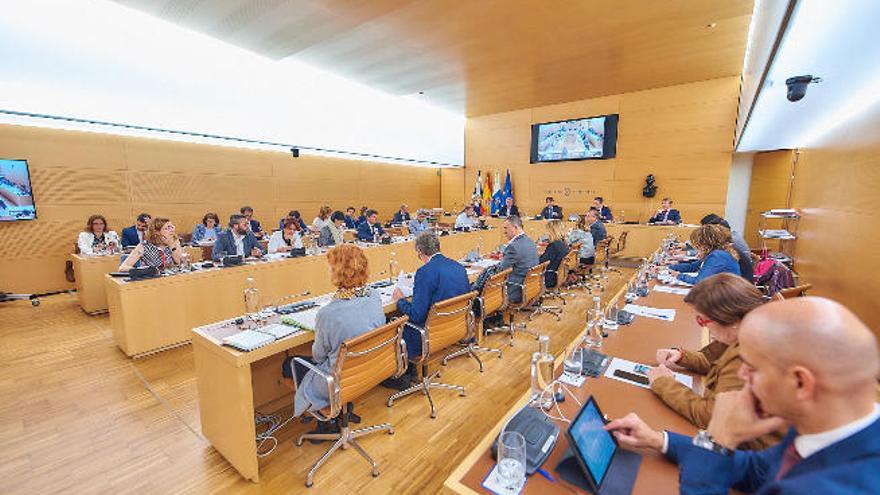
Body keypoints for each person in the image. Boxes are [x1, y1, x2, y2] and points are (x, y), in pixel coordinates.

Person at [604, 297, 880, 495]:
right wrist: (658, 440)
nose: (742, 376)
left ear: (800, 382)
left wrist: (716, 440)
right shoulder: (820, 427)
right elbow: (756, 471)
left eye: (753, 368)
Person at [649, 273, 779, 450]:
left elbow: (711, 415)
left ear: (730, 319)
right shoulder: (747, 329)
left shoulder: (748, 354)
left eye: (702, 320)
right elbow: (717, 362)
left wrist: (664, 383)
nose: (702, 326)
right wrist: (682, 357)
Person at [288, 244, 386, 423]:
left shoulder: (328, 313)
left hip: (338, 380)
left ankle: (326, 422)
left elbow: (318, 357)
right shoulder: (374, 295)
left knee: (289, 364)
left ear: (337, 271)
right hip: (369, 368)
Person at [388, 232, 470, 388]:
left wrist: (400, 300)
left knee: (391, 324)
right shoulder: (458, 266)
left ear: (420, 252)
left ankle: (402, 375)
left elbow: (416, 315)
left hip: (429, 335)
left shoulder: (424, 272)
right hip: (454, 328)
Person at [669, 224, 740, 284]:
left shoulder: (718, 256)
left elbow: (700, 282)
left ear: (705, 243)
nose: (696, 246)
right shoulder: (715, 252)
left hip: (726, 296)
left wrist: (678, 275)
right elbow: (694, 266)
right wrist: (668, 268)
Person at [701, 213, 754, 282]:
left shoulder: (731, 242)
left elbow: (703, 277)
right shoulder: (729, 239)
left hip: (740, 284)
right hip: (737, 282)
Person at [498, 215, 539, 303]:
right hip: (531, 287)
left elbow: (501, 271)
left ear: (515, 228)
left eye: (506, 228)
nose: (504, 232)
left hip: (516, 289)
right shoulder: (531, 241)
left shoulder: (513, 247)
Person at [539, 220, 570, 288]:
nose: (546, 233)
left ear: (552, 231)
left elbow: (541, 262)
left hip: (550, 277)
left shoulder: (554, 245)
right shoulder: (563, 243)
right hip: (560, 275)